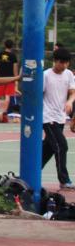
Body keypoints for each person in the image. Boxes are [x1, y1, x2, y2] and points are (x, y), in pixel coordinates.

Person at [42, 48, 75, 190]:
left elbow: (73, 92)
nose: (64, 65)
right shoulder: (46, 75)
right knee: (61, 146)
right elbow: (39, 95)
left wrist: (69, 101)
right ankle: (64, 180)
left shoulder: (68, 74)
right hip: (48, 117)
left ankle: (29, 173)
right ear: (55, 61)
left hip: (60, 117)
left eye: (67, 63)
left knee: (48, 148)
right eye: (62, 62)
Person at [0, 40, 19, 116]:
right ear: (12, 46)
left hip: (0, 78)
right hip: (10, 78)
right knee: (7, 95)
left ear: (5, 45)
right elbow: (15, 68)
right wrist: (16, 78)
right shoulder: (13, 56)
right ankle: (4, 112)